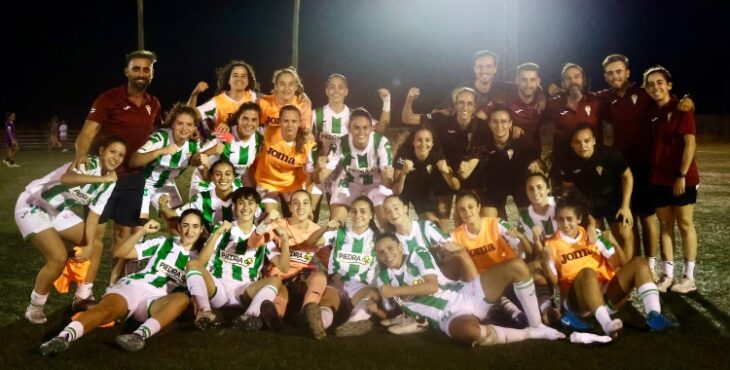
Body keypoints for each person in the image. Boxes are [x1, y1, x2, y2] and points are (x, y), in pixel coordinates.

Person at [39, 210, 206, 355]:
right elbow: (120, 252)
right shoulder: (163, 243)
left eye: (195, 226)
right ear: (179, 227)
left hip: (157, 300)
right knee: (105, 310)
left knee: (181, 299)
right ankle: (62, 338)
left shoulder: (202, 259)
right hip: (133, 287)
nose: (189, 230)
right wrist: (140, 232)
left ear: (201, 230)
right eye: (186, 225)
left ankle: (138, 336)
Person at [597, 54, 694, 281]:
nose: (615, 76)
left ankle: (650, 264)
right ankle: (634, 262)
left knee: (647, 218)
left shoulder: (643, 93)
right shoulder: (604, 99)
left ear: (628, 72)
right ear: (605, 77)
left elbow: (668, 100)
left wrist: (688, 98)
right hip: (620, 168)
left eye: (619, 71)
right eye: (610, 73)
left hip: (645, 166)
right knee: (626, 220)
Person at [373, 232, 564, 346]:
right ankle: (529, 333)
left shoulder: (416, 254)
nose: (387, 254)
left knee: (517, 266)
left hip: (465, 293)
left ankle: (537, 324)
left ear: (399, 245)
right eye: (381, 252)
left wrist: (395, 291)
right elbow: (388, 306)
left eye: (390, 248)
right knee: (470, 333)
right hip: (446, 316)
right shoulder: (382, 279)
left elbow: (432, 285)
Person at [73, 50, 161, 291]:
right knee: (94, 239)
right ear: (127, 71)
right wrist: (81, 156)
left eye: (146, 69)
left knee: (124, 236)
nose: (141, 73)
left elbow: (155, 137)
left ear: (152, 73)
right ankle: (84, 293)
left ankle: (115, 289)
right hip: (104, 178)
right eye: (137, 68)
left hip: (133, 179)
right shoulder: (108, 99)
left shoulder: (153, 104)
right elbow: (87, 133)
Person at [16, 136, 125, 324]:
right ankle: (35, 306)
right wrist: (101, 179)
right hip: (33, 204)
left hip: (57, 210)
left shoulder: (110, 181)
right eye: (112, 151)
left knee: (96, 246)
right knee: (57, 258)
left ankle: (82, 298)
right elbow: (67, 178)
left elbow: (93, 215)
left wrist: (89, 244)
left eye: (121, 155)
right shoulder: (87, 163)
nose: (116, 157)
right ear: (101, 151)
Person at [540, 192, 677, 337]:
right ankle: (606, 324)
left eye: (569, 219)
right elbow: (553, 281)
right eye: (560, 220)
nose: (565, 224)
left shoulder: (594, 234)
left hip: (606, 296)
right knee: (588, 272)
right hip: (578, 304)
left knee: (639, 262)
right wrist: (545, 260)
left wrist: (609, 240)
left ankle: (654, 316)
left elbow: (621, 264)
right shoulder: (551, 245)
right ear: (555, 220)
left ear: (579, 219)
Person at [184, 187, 290, 330]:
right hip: (218, 288)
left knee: (276, 281)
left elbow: (283, 267)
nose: (246, 207)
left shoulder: (264, 236)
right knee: (192, 264)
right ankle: (205, 312)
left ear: (257, 208)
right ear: (234, 206)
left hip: (244, 292)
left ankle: (248, 317)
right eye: (241, 203)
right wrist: (216, 234)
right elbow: (201, 262)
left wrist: (285, 241)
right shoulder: (224, 228)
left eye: (250, 203)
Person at [643, 66, 700, 294]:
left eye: (660, 82)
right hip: (658, 178)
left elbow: (690, 144)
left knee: (685, 224)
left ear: (669, 85)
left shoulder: (681, 109)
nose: (655, 87)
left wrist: (682, 175)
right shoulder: (652, 112)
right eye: (651, 84)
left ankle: (689, 277)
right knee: (665, 226)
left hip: (682, 178)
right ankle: (667, 275)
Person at [310, 74, 391, 221]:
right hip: (324, 168)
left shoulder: (355, 115)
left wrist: (386, 101)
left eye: (340, 87)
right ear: (326, 91)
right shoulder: (316, 115)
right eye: (332, 87)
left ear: (346, 91)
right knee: (310, 213)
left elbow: (381, 129)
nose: (336, 91)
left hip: (344, 173)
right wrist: (315, 162)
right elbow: (307, 141)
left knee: (336, 216)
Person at [402, 87, 485, 227]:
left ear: (475, 107)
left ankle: (465, 243)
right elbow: (407, 118)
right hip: (443, 173)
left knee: (465, 216)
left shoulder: (482, 126)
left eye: (469, 103)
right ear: (455, 105)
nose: (465, 107)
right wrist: (409, 99)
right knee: (442, 220)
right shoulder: (441, 118)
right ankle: (442, 243)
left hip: (469, 175)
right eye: (461, 102)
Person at [246, 190, 329, 330]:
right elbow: (253, 243)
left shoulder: (317, 230)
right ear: (290, 207)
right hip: (280, 278)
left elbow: (326, 261)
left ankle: (308, 315)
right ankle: (275, 319)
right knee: (281, 293)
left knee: (320, 276)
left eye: (305, 203)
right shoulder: (279, 225)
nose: (300, 207)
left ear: (310, 208)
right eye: (295, 203)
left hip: (302, 280)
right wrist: (265, 223)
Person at [301, 196, 381, 338]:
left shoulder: (377, 239)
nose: (358, 215)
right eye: (354, 211)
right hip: (338, 283)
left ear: (371, 215)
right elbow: (312, 242)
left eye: (363, 212)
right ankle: (319, 325)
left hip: (360, 288)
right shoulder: (339, 234)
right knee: (328, 302)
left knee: (373, 294)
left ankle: (352, 325)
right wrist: (325, 227)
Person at [556, 123, 635, 259]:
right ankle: (607, 269)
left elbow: (627, 177)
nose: (583, 146)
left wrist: (625, 206)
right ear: (572, 144)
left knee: (624, 233)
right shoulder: (567, 161)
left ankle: (628, 269)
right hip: (589, 203)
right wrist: (581, 214)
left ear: (594, 140)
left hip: (614, 200)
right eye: (577, 142)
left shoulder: (609, 153)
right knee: (596, 236)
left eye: (587, 141)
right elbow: (568, 190)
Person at [315, 108, 394, 228]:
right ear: (349, 129)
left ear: (371, 127)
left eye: (365, 127)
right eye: (356, 127)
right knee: (335, 222)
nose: (361, 132)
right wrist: (319, 168)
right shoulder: (341, 143)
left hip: (375, 182)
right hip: (349, 181)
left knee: (388, 221)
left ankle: (388, 240)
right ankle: (336, 241)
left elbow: (388, 183)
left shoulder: (381, 142)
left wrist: (388, 177)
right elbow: (320, 178)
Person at [460, 105, 543, 218]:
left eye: (504, 121)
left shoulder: (522, 140)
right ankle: (502, 229)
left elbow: (539, 166)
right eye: (495, 121)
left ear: (510, 123)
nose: (499, 126)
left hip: (520, 185)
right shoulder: (483, 143)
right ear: (489, 124)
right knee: (489, 222)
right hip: (494, 186)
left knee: (530, 221)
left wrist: (536, 169)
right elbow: (470, 168)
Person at [130, 103, 205, 221]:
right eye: (180, 123)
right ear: (173, 124)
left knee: (179, 222)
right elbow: (133, 161)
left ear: (194, 127)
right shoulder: (160, 138)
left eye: (189, 124)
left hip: (166, 186)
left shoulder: (193, 144)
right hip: (144, 184)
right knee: (139, 226)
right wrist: (160, 151)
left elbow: (198, 162)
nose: (185, 128)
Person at [188, 102, 263, 197]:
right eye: (245, 118)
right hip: (206, 181)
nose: (249, 123)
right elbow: (193, 161)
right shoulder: (225, 134)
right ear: (238, 119)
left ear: (259, 122)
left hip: (230, 183)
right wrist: (211, 151)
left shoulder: (259, 139)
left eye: (254, 120)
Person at [392, 125, 460, 227]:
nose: (423, 144)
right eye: (419, 140)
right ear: (413, 142)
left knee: (431, 222)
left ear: (432, 143)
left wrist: (446, 172)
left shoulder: (437, 156)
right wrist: (403, 174)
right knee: (400, 223)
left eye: (427, 140)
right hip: (405, 190)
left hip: (423, 191)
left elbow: (456, 186)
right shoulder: (404, 155)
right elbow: (396, 191)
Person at [252, 105, 316, 213]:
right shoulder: (268, 131)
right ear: (279, 122)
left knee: (300, 214)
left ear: (299, 123)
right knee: (270, 217)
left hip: (292, 185)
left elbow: (310, 176)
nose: (290, 125)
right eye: (285, 121)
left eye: (294, 121)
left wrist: (308, 202)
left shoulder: (308, 144)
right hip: (268, 183)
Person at [477, 62, 545, 150]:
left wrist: (542, 94)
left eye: (532, 80)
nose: (528, 85)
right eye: (524, 79)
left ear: (538, 81)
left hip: (533, 151)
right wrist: (507, 127)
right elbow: (478, 118)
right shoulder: (504, 99)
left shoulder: (543, 101)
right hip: (508, 151)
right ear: (517, 80)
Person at [160, 159, 237, 233]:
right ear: (212, 177)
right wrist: (163, 206)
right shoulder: (202, 198)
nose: (223, 178)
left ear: (234, 176)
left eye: (228, 174)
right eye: (218, 174)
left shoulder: (241, 197)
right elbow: (173, 216)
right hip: (210, 243)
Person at [187, 60, 260, 139]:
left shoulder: (254, 97)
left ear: (248, 81)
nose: (239, 79)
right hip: (224, 149)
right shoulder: (217, 102)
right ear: (228, 80)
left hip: (250, 148)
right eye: (235, 75)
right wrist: (194, 94)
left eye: (243, 76)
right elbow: (189, 116)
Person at [258, 67, 313, 136]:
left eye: (291, 84)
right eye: (282, 84)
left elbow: (305, 134)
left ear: (296, 86)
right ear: (276, 86)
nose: (286, 88)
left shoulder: (302, 104)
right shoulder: (263, 102)